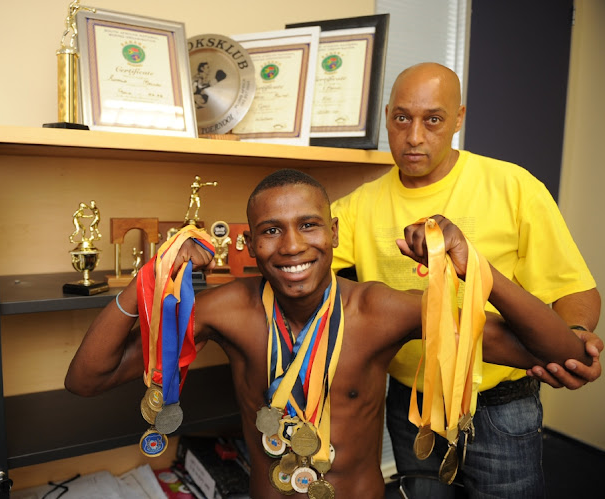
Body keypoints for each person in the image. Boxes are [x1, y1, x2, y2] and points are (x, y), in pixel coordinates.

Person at [66, 169, 591, 498]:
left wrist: (474, 267)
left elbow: (554, 350)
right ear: (249, 244)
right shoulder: (227, 310)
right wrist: (149, 279)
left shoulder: (379, 310)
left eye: (309, 225)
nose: (292, 246)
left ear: (334, 233)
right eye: (271, 231)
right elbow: (87, 380)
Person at [331, 62, 602, 497]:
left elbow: (573, 287)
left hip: (499, 406)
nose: (414, 136)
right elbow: (301, 255)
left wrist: (571, 335)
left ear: (458, 118)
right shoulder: (361, 204)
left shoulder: (513, 186)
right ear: (387, 116)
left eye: (433, 119)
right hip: (411, 403)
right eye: (402, 118)